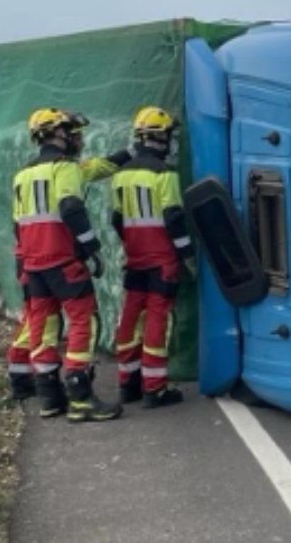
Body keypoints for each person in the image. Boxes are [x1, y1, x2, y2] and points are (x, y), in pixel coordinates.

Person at [6, 116, 131, 403]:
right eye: (74, 133)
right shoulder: (65, 169)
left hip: (33, 263)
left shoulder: (23, 175)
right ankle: (80, 395)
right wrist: (92, 247)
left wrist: (130, 154)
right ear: (57, 135)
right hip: (63, 259)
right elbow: (71, 207)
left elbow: (17, 224)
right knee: (84, 322)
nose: (79, 138)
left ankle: (50, 397)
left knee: (43, 326)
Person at [110, 106, 195, 408]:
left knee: (131, 319)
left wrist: (132, 244)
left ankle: (127, 383)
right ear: (162, 138)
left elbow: (117, 220)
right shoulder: (165, 175)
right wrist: (188, 255)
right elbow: (173, 218)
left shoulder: (121, 175)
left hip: (135, 258)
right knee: (158, 321)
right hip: (162, 260)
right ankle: (155, 388)